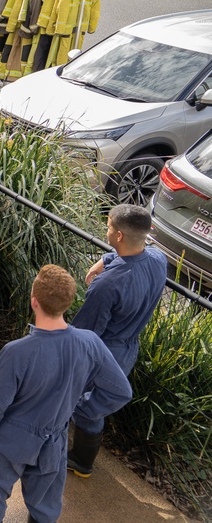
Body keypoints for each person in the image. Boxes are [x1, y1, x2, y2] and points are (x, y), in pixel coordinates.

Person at [0, 265, 132, 523]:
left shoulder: (17, 351)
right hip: (53, 440)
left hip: (8, 441)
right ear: (68, 303)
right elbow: (120, 391)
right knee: (45, 507)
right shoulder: (90, 343)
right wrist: (80, 408)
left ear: (34, 301)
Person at [67, 204, 166, 478]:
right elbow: (134, 258)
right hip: (128, 349)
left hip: (103, 352)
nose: (106, 230)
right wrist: (105, 260)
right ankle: (82, 458)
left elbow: (85, 333)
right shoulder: (158, 260)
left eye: (109, 226)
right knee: (96, 404)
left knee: (83, 404)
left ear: (119, 235)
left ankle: (80, 460)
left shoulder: (107, 286)